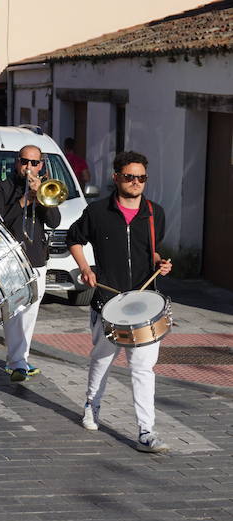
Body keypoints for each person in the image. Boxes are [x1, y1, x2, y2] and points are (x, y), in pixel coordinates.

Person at [67, 151, 172, 453]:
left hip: (145, 302)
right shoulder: (98, 212)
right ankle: (91, 404)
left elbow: (150, 251)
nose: (136, 182)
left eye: (141, 178)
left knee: (142, 368)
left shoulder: (155, 213)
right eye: (130, 176)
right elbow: (74, 238)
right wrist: (85, 269)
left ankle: (146, 430)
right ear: (116, 178)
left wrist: (160, 263)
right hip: (108, 299)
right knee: (103, 359)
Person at [0, 145, 61, 382]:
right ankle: (17, 361)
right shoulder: (2, 188)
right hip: (10, 261)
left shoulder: (42, 189)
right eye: (24, 161)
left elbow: (54, 221)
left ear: (41, 165)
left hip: (36, 258)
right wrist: (23, 201)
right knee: (15, 311)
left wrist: (40, 198)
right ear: (17, 162)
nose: (29, 167)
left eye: (34, 163)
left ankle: (20, 358)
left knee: (30, 312)